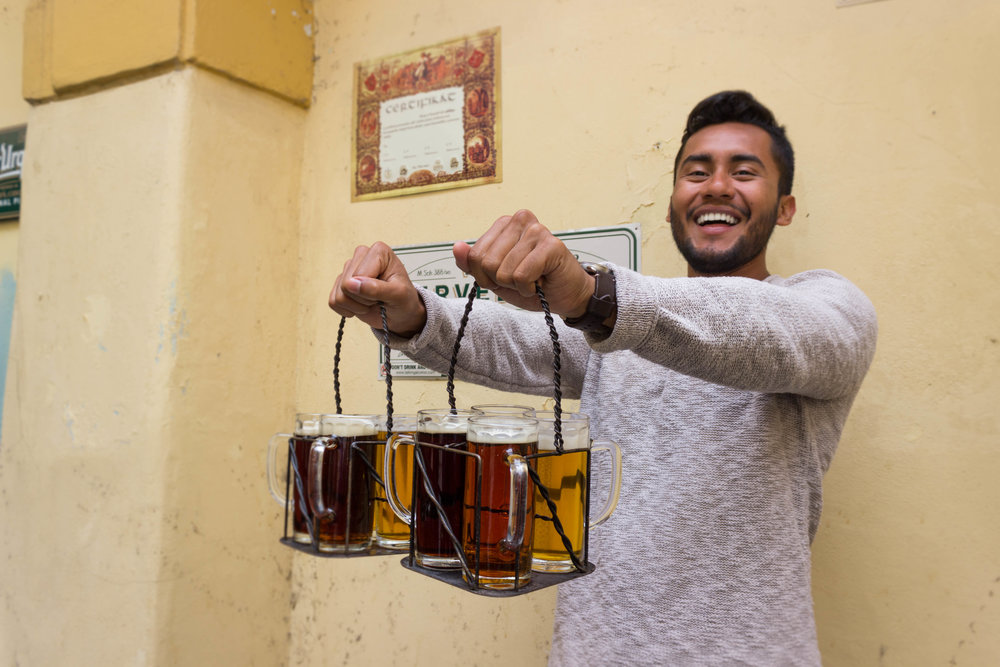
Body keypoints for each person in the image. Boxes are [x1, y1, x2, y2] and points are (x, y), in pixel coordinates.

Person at [329, 90, 878, 666]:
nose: (716, 186)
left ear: (785, 207)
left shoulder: (829, 308)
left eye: (744, 171)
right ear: (670, 207)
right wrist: (411, 311)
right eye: (696, 171)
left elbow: (773, 334)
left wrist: (594, 296)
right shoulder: (617, 331)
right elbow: (508, 341)